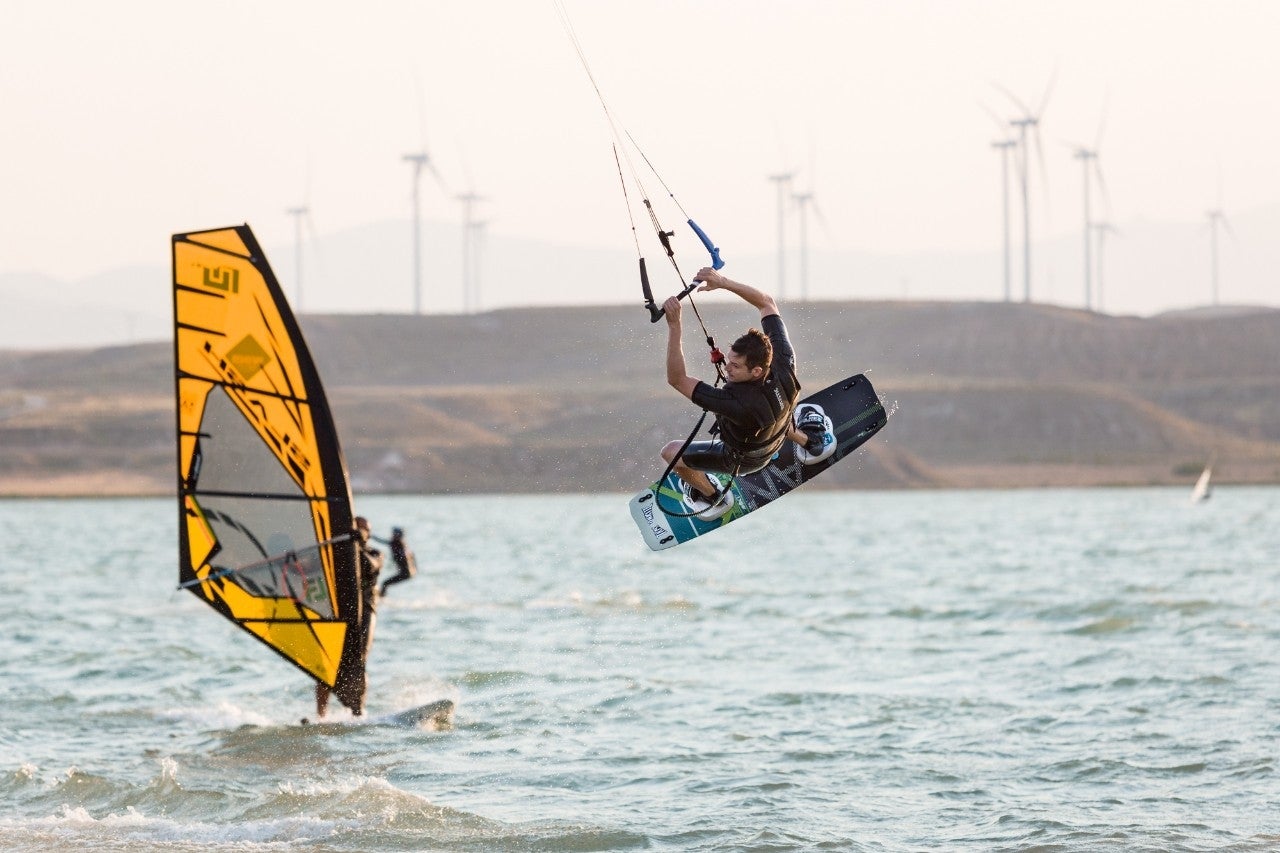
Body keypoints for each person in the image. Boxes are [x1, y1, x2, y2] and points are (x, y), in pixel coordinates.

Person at [660, 267, 823, 520]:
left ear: (757, 370)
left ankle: (713, 496)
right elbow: (767, 303)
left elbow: (677, 380)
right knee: (778, 407)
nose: (727, 367)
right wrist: (723, 282)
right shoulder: (782, 359)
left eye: (735, 366)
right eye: (729, 360)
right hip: (777, 432)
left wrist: (675, 325)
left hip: (743, 459)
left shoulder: (737, 404)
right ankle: (812, 443)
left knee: (671, 453)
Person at [314, 515, 383, 719]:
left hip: (366, 613)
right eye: (360, 529)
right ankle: (321, 716)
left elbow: (368, 566)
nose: (365, 533)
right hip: (339, 612)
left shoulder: (375, 553)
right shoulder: (337, 552)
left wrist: (357, 545)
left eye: (366, 530)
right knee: (326, 663)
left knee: (359, 662)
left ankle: (357, 714)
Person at [376, 527, 418, 598]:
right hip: (410, 572)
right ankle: (381, 597)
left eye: (394, 534)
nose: (392, 535)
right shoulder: (402, 545)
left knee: (385, 583)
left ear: (398, 535)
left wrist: (370, 536)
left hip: (406, 573)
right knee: (385, 584)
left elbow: (382, 541)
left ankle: (381, 598)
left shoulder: (397, 544)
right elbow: (412, 556)